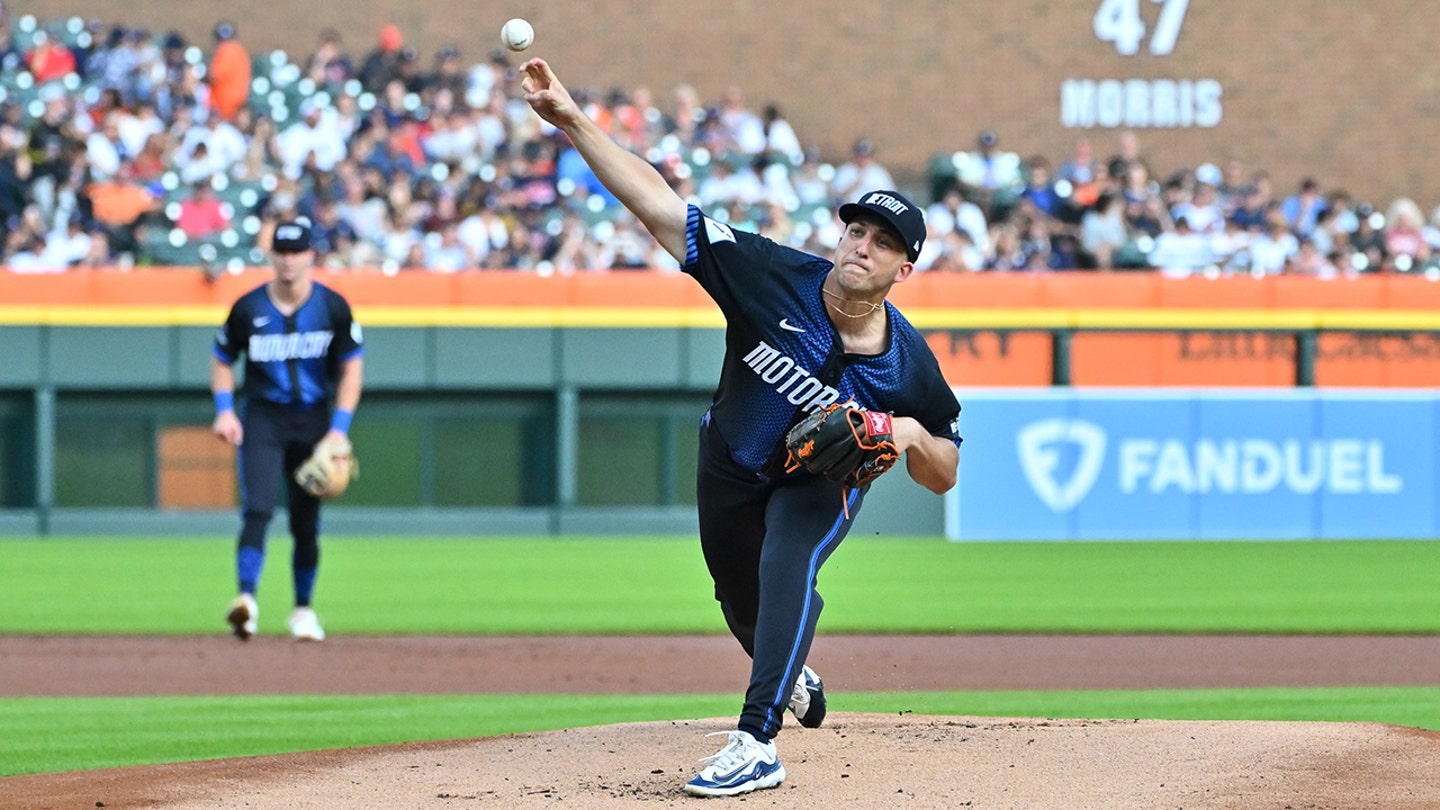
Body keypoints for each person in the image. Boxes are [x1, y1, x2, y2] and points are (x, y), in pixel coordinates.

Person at [521, 58, 962, 797]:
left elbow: (944, 466)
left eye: (883, 242)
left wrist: (911, 435)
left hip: (821, 479)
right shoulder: (768, 273)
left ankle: (756, 743)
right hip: (730, 456)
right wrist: (571, 119)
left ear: (904, 268)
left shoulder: (908, 364)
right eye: (856, 229)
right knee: (737, 599)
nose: (862, 245)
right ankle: (792, 670)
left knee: (787, 563)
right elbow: (660, 207)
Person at [210, 218, 364, 643]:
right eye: (283, 251)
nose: (290, 260)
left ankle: (302, 609)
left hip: (314, 421)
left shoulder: (332, 307)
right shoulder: (248, 308)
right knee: (257, 508)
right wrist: (225, 411)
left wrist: (339, 431)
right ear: (272, 255)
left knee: (305, 521)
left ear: (310, 256)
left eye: (298, 252)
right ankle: (246, 600)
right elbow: (222, 356)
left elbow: (353, 367)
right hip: (263, 418)